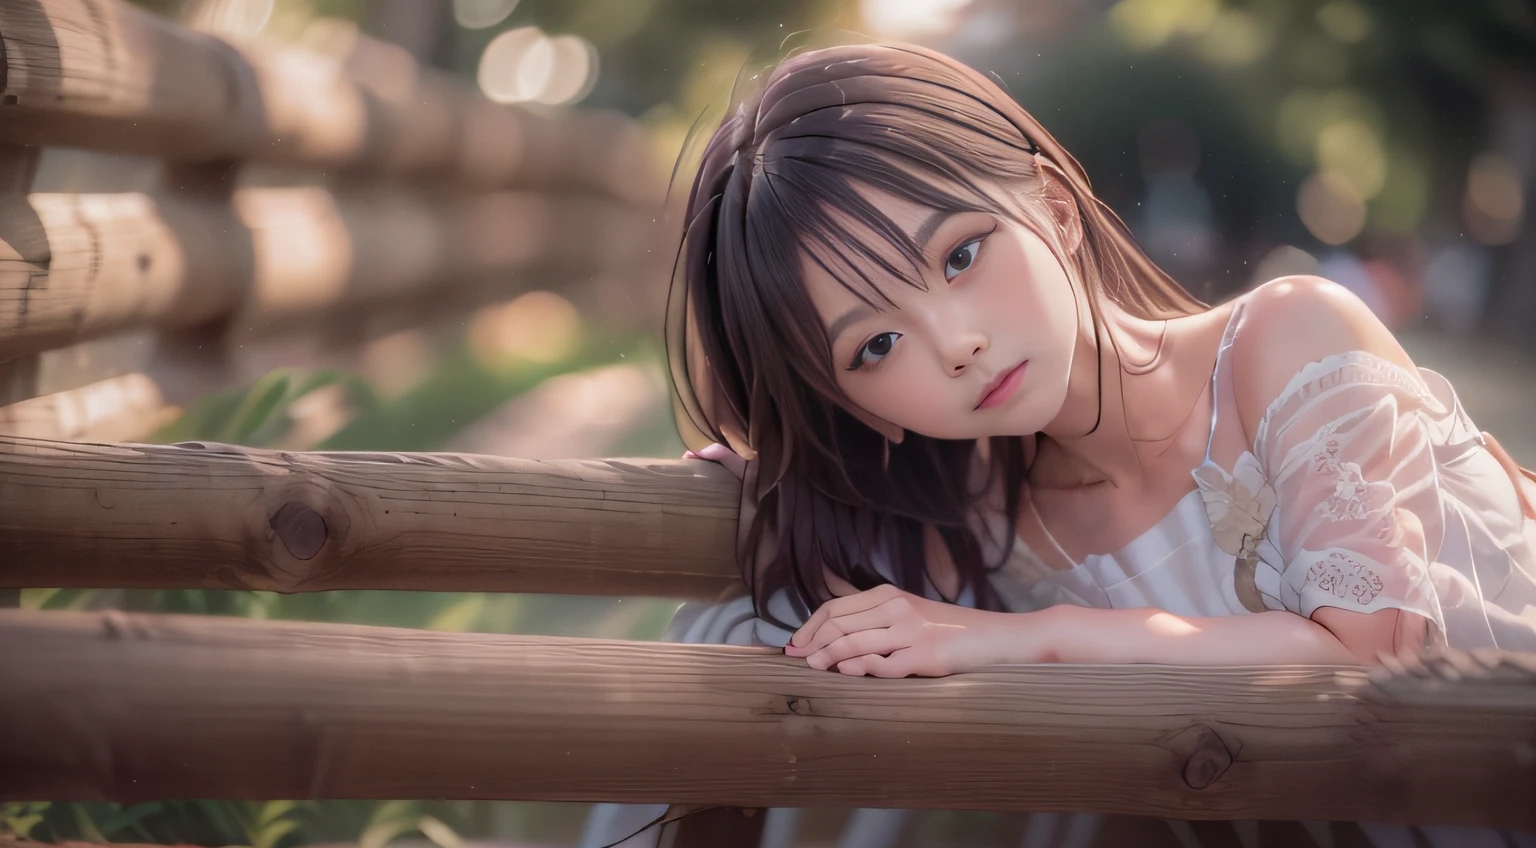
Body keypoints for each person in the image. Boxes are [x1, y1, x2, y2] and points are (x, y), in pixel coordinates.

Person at [582, 40, 1536, 848]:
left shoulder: (1289, 341)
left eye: (960, 253)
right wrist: (777, 485)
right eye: (875, 346)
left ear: (1055, 207)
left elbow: (1371, 666)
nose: (956, 343)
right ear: (855, 406)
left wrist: (1032, 642)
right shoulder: (1001, 530)